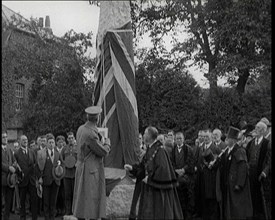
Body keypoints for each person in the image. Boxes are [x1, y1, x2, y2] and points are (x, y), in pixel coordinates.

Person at [124, 126, 183, 220]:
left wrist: (150, 179)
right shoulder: (150, 149)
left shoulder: (160, 151)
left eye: (145, 134)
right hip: (149, 189)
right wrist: (132, 168)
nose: (143, 136)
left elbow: (163, 170)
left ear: (149, 136)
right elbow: (143, 166)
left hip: (157, 192)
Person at [72, 106, 111, 220]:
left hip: (81, 166)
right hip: (90, 169)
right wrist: (107, 142)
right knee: (91, 201)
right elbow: (103, 152)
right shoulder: (91, 134)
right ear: (97, 118)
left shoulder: (81, 129)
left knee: (81, 199)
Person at [214, 126, 253, 220]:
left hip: (235, 184)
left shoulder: (240, 151)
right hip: (227, 184)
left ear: (233, 140)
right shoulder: (227, 151)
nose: (226, 140)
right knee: (229, 208)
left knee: (237, 209)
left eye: (228, 138)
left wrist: (239, 184)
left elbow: (243, 168)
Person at [246, 121, 271, 220]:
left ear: (263, 131)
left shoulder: (267, 143)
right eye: (255, 127)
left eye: (258, 128)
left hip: (261, 175)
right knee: (251, 196)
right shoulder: (251, 143)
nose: (255, 130)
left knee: (261, 200)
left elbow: (269, 160)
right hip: (250, 174)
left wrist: (265, 172)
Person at [37, 133, 65, 220]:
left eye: (53, 142)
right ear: (46, 143)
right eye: (50, 142)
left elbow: (62, 165)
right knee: (46, 203)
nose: (51, 144)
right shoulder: (41, 153)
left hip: (55, 181)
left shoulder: (57, 153)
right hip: (46, 181)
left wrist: (60, 172)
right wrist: (40, 178)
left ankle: (52, 218)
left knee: (53, 203)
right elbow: (38, 167)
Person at [14, 135, 40, 220]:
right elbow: (15, 166)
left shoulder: (32, 152)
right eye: (23, 140)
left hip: (32, 181)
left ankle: (34, 218)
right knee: (22, 201)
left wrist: (38, 178)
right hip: (22, 181)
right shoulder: (17, 153)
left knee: (34, 200)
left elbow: (35, 165)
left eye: (26, 139)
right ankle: (22, 217)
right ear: (20, 141)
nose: (25, 141)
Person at [170, 131, 195, 220]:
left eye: (180, 138)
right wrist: (176, 170)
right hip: (176, 177)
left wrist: (184, 170)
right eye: (177, 138)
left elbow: (191, 162)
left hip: (186, 178)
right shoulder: (172, 150)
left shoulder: (188, 149)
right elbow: (171, 163)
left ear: (183, 139)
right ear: (175, 140)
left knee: (187, 198)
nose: (179, 140)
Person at [199, 129, 221, 220]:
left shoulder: (216, 148)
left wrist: (213, 165)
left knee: (212, 202)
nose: (205, 138)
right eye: (203, 137)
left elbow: (220, 163)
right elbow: (199, 161)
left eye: (207, 136)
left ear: (211, 137)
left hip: (212, 179)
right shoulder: (201, 148)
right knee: (204, 202)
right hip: (203, 178)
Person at [61, 132, 77, 216]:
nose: (70, 139)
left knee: (75, 194)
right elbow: (61, 159)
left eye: (72, 138)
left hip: (75, 174)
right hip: (66, 174)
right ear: (67, 139)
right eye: (69, 138)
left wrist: (76, 163)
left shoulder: (78, 148)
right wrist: (65, 163)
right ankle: (68, 211)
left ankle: (75, 211)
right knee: (67, 194)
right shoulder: (64, 149)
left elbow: (81, 159)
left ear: (74, 138)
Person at [2, 131, 16, 220]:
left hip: (10, 180)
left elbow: (14, 161)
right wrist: (8, 168)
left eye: (6, 137)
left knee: (8, 201)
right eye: (3, 137)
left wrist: (15, 165)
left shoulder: (9, 149)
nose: (5, 138)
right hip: (2, 179)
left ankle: (6, 218)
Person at [55, 135, 66, 216]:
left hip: (64, 174)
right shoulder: (54, 150)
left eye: (62, 142)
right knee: (56, 193)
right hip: (56, 174)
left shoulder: (65, 150)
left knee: (63, 193)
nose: (61, 144)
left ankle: (63, 209)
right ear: (57, 142)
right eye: (59, 142)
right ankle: (56, 209)